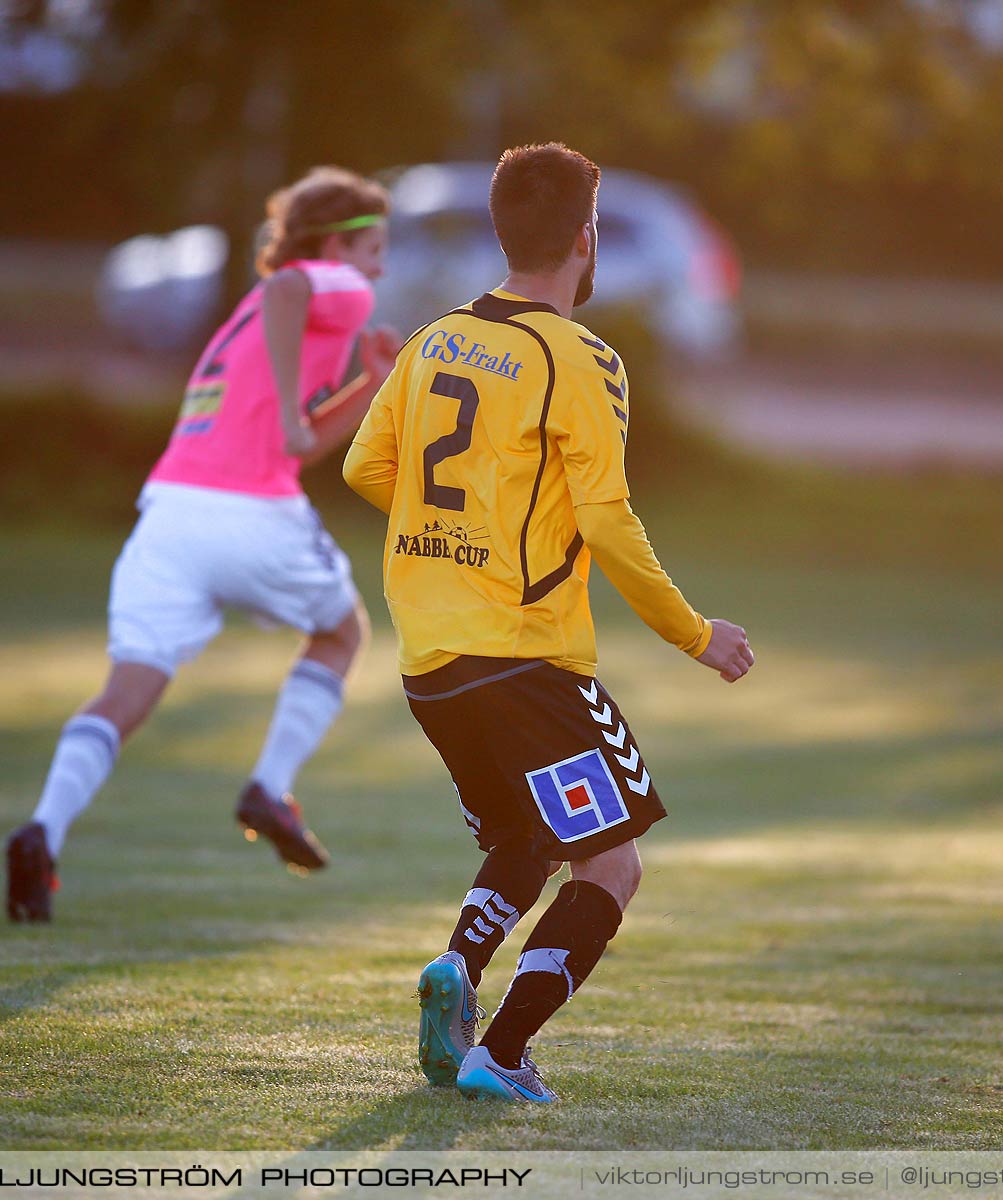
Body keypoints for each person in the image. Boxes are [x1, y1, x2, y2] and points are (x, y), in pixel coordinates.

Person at [343, 143, 754, 1101]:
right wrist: (695, 633)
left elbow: (368, 469)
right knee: (612, 868)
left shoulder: (437, 337)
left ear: (500, 231)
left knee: (527, 837)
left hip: (431, 665)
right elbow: (608, 518)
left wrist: (454, 538)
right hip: (527, 663)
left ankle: (456, 973)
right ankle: (505, 1054)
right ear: (586, 238)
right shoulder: (582, 358)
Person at [5, 166, 402, 922]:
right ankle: (269, 785)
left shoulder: (252, 314)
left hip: (169, 516)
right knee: (343, 629)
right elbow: (292, 323)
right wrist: (292, 408)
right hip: (250, 511)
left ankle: (41, 831)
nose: (380, 264)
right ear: (335, 244)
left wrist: (371, 382)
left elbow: (304, 442)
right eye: (375, 245)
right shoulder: (329, 284)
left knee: (127, 692)